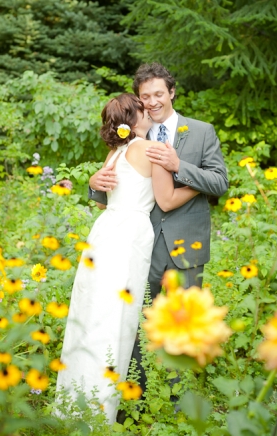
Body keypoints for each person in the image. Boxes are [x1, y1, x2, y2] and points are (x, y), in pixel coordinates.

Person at [55, 93, 199, 424]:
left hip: (105, 232)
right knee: (119, 317)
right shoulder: (147, 149)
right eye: (140, 106)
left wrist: (94, 182)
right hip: (130, 236)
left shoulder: (116, 151)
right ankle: (99, 412)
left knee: (94, 314)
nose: (148, 108)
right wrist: (199, 185)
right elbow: (165, 199)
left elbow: (103, 202)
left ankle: (75, 400)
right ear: (133, 120)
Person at [89, 63, 229, 391]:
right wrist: (93, 182)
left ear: (172, 92)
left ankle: (182, 397)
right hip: (141, 244)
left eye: (158, 94)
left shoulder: (201, 131)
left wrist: (180, 166)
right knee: (135, 319)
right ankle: (135, 392)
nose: (152, 102)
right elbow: (113, 178)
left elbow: (220, 181)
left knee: (187, 321)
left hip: (188, 243)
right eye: (144, 96)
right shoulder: (134, 130)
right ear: (138, 101)